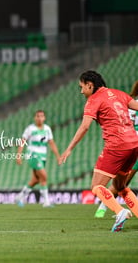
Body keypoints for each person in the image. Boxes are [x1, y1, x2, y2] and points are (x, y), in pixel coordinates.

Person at [59, 70, 138, 232]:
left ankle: (120, 211)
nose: (81, 91)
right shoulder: (119, 94)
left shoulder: (93, 100)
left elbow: (85, 126)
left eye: (82, 87)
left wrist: (69, 148)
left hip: (117, 146)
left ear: (90, 85)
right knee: (120, 185)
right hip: (134, 145)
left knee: (96, 186)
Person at [95, 80, 138, 218]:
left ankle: (105, 209)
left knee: (121, 183)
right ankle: (105, 209)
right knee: (121, 184)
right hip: (133, 144)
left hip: (128, 143)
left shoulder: (129, 103)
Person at [14, 110, 60, 207]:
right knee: (44, 176)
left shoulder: (47, 129)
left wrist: (58, 156)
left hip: (43, 156)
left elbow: (51, 143)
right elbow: (22, 141)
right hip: (33, 155)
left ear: (44, 118)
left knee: (35, 180)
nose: (39, 118)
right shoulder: (30, 129)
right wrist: (18, 155)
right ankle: (46, 202)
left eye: (41, 116)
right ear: (35, 118)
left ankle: (19, 197)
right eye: (37, 116)